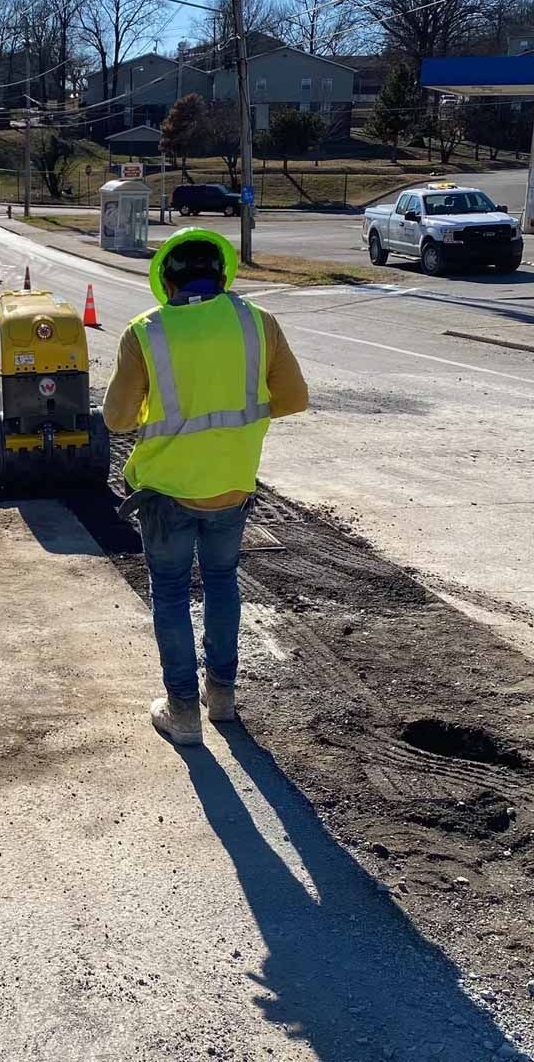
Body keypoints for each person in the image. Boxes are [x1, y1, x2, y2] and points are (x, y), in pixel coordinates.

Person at [104, 227, 309, 746]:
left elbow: (116, 419)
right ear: (221, 276)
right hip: (232, 484)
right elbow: (292, 400)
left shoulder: (146, 332)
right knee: (222, 582)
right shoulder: (258, 323)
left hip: (166, 490)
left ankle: (183, 712)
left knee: (170, 591)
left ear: (167, 283)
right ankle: (222, 698)